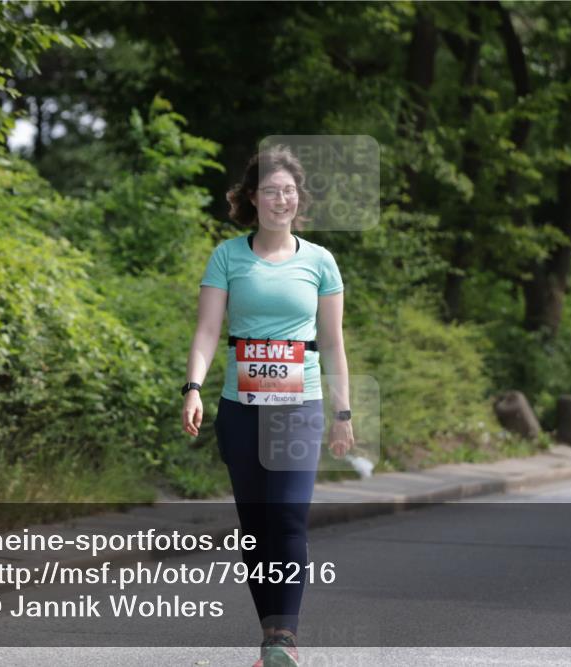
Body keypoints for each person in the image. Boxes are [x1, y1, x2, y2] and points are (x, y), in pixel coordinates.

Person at [181, 145, 354, 667]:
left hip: (299, 407)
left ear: (298, 199)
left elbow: (333, 341)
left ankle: (285, 639)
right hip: (240, 408)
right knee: (255, 525)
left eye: (289, 190)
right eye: (272, 190)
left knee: (289, 517)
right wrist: (192, 387)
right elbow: (209, 329)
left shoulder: (320, 261)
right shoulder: (228, 256)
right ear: (252, 198)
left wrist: (343, 414)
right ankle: (269, 635)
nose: (282, 198)